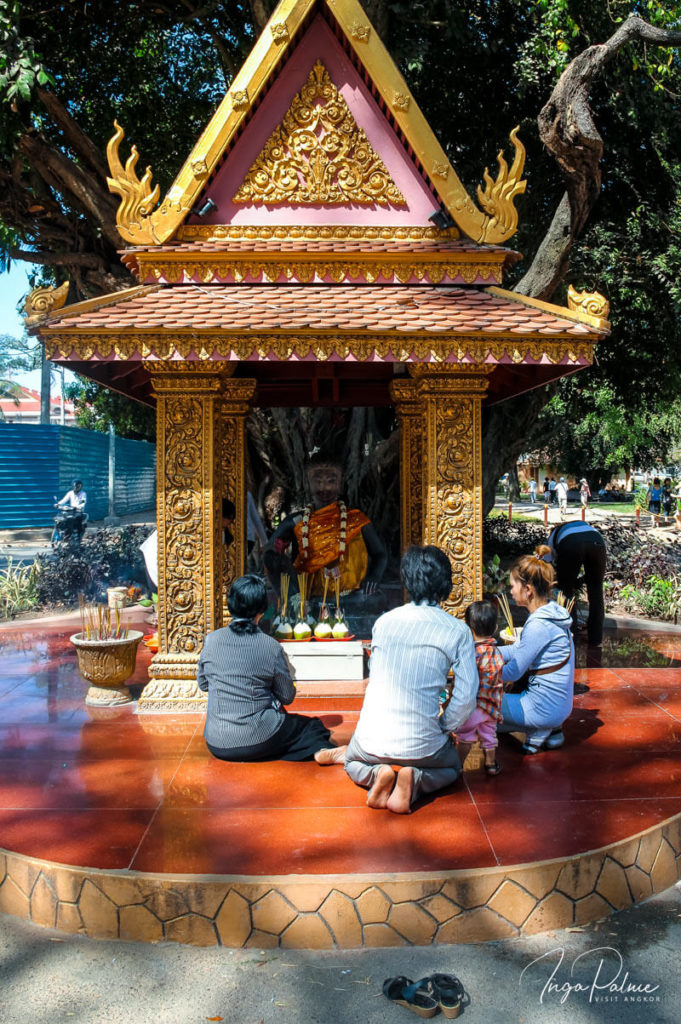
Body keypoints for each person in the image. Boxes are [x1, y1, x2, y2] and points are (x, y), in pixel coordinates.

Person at [316, 545, 478, 813]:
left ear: (407, 580)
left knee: (352, 763)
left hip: (370, 741)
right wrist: (444, 725)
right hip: (425, 746)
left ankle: (377, 774)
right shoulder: (458, 631)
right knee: (452, 767)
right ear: (446, 584)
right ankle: (416, 780)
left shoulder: (384, 623)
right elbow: (466, 696)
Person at [197, 574, 334, 761]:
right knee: (312, 727)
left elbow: (203, 684)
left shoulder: (211, 640)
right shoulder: (269, 646)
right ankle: (320, 751)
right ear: (262, 610)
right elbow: (287, 696)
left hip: (217, 742)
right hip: (257, 738)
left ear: (230, 606)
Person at [264, 455, 387, 597]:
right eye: (318, 482)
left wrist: (374, 577)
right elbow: (270, 555)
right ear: (308, 483)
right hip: (308, 601)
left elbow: (380, 555)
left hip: (350, 598)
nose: (325, 488)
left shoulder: (356, 519)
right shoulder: (297, 522)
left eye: (331, 481)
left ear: (341, 484)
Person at [499, 547, 574, 754]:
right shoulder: (553, 613)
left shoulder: (538, 625)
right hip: (559, 707)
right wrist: (489, 652)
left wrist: (481, 669)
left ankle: (540, 728)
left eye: (513, 585)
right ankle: (549, 730)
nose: (511, 591)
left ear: (528, 590)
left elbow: (513, 671)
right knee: (493, 721)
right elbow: (519, 648)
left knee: (478, 704)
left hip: (541, 708)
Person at [456, 600, 504, 776]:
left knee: (465, 735)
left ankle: (458, 765)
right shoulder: (497, 652)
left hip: (475, 706)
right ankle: (491, 764)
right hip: (492, 706)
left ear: (469, 628)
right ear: (495, 627)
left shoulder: (472, 654)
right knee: (489, 735)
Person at [548, 520, 606, 645]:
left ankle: (570, 636)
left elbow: (546, 563)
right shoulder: (581, 526)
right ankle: (596, 639)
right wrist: (580, 580)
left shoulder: (553, 535)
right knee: (596, 592)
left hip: (571, 543)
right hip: (598, 542)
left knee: (566, 592)